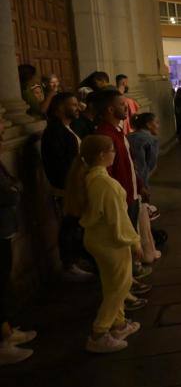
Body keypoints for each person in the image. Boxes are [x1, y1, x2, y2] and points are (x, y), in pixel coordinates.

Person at [64, 135, 142, 353]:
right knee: (120, 287)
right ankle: (99, 333)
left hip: (97, 238)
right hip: (110, 241)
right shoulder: (105, 183)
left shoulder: (90, 177)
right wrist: (135, 242)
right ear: (102, 155)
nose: (114, 154)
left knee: (111, 283)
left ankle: (119, 324)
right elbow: (117, 219)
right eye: (112, 151)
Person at [93, 90, 150, 291]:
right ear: (110, 108)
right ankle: (125, 285)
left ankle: (130, 278)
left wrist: (139, 184)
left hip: (130, 193)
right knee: (122, 243)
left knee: (130, 236)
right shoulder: (104, 135)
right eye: (121, 104)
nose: (126, 107)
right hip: (120, 198)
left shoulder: (116, 131)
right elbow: (105, 171)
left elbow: (127, 162)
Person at [41, 92, 94, 281]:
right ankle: (69, 264)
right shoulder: (55, 132)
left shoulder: (67, 129)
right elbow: (59, 164)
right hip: (67, 188)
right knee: (69, 226)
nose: (78, 107)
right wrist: (72, 185)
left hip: (75, 186)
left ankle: (79, 259)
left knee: (76, 225)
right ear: (60, 108)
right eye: (73, 104)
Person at [0, 121, 37, 365]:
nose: (3, 128)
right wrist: (14, 189)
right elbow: (8, 191)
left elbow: (12, 184)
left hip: (5, 227)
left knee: (4, 281)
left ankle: (7, 332)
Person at [128, 113, 160, 190]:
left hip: (127, 178)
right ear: (149, 124)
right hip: (141, 180)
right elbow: (151, 164)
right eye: (157, 122)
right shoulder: (152, 140)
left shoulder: (128, 136)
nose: (158, 126)